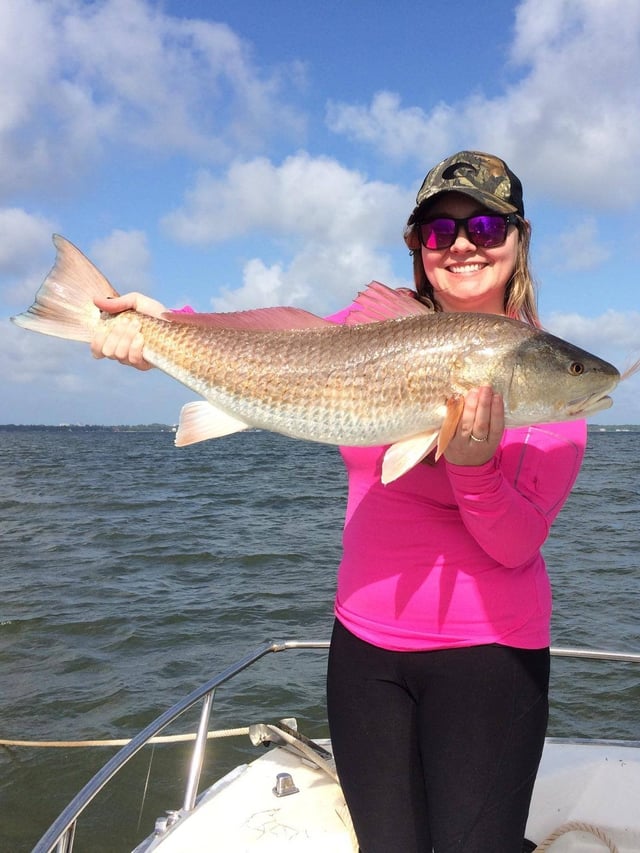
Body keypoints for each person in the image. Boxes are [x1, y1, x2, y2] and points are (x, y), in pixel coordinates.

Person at [91, 151, 587, 853]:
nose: (464, 243)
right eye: (439, 231)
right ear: (418, 247)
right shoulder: (368, 326)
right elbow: (278, 346)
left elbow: (513, 544)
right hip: (364, 656)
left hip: (489, 660)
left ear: (519, 238)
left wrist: (475, 470)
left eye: (484, 223)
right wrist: (162, 323)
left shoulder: (553, 382)